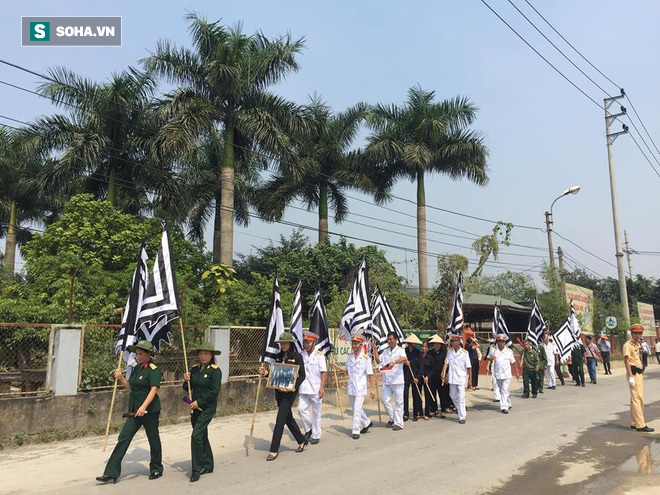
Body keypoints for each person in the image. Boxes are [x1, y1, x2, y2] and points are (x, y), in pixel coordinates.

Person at [96, 340, 163, 484]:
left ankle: (156, 467)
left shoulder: (153, 369)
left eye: (141, 354)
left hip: (149, 411)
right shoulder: (137, 368)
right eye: (137, 354)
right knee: (123, 438)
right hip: (134, 412)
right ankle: (111, 473)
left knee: (153, 439)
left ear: (148, 354)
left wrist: (144, 406)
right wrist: (120, 378)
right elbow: (131, 388)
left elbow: (154, 389)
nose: (138, 356)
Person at [259, 332, 307, 461]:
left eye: (285, 343)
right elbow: (275, 373)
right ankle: (301, 440)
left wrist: (293, 387)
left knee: (280, 419)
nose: (283, 345)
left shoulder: (297, 357)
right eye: (282, 343)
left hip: (290, 392)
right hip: (279, 391)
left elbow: (302, 375)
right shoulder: (278, 356)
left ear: (291, 343)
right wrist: (265, 373)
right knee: (288, 418)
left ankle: (274, 450)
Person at [183, 342, 222, 482]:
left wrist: (199, 402)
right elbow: (188, 387)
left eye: (206, 353)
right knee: (202, 436)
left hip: (207, 408)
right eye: (201, 353)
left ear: (211, 355)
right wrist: (186, 380)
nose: (203, 356)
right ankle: (208, 464)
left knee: (196, 435)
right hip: (194, 408)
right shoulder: (194, 370)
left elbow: (214, 391)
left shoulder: (215, 371)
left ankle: (196, 469)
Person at [332, 332, 375, 439]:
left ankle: (355, 431)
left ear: (361, 345)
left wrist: (372, 389)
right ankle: (367, 422)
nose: (354, 345)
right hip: (351, 387)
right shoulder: (350, 357)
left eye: (356, 344)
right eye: (353, 343)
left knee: (356, 410)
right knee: (357, 409)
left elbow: (370, 374)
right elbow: (347, 371)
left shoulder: (365, 358)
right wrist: (337, 367)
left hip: (360, 388)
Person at [296, 331, 327, 445]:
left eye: (309, 342)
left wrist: (321, 388)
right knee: (300, 409)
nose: (306, 344)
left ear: (314, 342)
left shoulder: (319, 355)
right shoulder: (301, 355)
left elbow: (323, 372)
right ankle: (309, 429)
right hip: (304, 388)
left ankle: (316, 435)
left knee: (316, 413)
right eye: (305, 342)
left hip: (315, 388)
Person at [374, 332, 407, 431]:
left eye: (391, 339)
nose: (389, 341)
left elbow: (404, 358)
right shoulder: (385, 351)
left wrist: (394, 362)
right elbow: (378, 360)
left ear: (396, 340)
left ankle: (399, 423)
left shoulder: (400, 350)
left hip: (397, 380)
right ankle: (393, 418)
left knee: (398, 403)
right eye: (388, 339)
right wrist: (375, 350)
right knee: (385, 400)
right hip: (387, 381)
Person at [624, 324, 654, 432]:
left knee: (635, 399)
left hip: (639, 373)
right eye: (635, 333)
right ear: (632, 334)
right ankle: (640, 425)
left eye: (639, 333)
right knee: (638, 398)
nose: (638, 335)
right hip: (634, 373)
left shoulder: (638, 344)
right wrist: (631, 377)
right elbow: (626, 360)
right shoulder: (628, 345)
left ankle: (634, 422)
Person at [442, 335, 472, 424]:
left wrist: (470, 379)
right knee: (452, 395)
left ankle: (462, 417)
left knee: (461, 397)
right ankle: (461, 409)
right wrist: (443, 373)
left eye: (455, 341)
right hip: (452, 377)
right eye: (452, 341)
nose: (453, 343)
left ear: (459, 342)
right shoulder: (449, 352)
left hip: (461, 378)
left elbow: (469, 367)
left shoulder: (464, 353)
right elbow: (446, 363)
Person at [487, 334, 517, 414]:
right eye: (499, 341)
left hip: (506, 374)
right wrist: (491, 359)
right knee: (502, 390)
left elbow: (513, 362)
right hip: (498, 374)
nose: (501, 343)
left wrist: (517, 372)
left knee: (504, 390)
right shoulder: (493, 351)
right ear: (497, 342)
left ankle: (504, 407)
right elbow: (488, 358)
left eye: (503, 341)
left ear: (505, 342)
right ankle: (508, 403)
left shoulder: (509, 351)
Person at [402, 333, 423, 421]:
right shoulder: (403, 352)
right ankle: (405, 413)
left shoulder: (418, 353)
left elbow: (421, 367)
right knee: (405, 395)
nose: (414, 344)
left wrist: (417, 377)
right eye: (413, 343)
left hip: (415, 377)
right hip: (406, 376)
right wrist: (404, 362)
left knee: (416, 395)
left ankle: (415, 413)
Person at [427, 335, 449, 417]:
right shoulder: (430, 353)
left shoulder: (445, 353)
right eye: (435, 343)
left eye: (438, 344)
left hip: (441, 376)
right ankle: (433, 409)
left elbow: (447, 365)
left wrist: (446, 375)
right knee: (432, 393)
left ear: (440, 344)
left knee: (442, 394)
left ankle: (443, 410)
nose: (436, 345)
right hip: (432, 376)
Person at [418, 340, 434, 420]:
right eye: (422, 346)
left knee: (428, 396)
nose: (424, 348)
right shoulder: (418, 356)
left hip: (427, 379)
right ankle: (420, 412)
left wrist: (428, 376)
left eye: (425, 346)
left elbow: (432, 369)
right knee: (418, 395)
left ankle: (427, 413)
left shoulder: (430, 357)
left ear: (428, 348)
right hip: (419, 378)